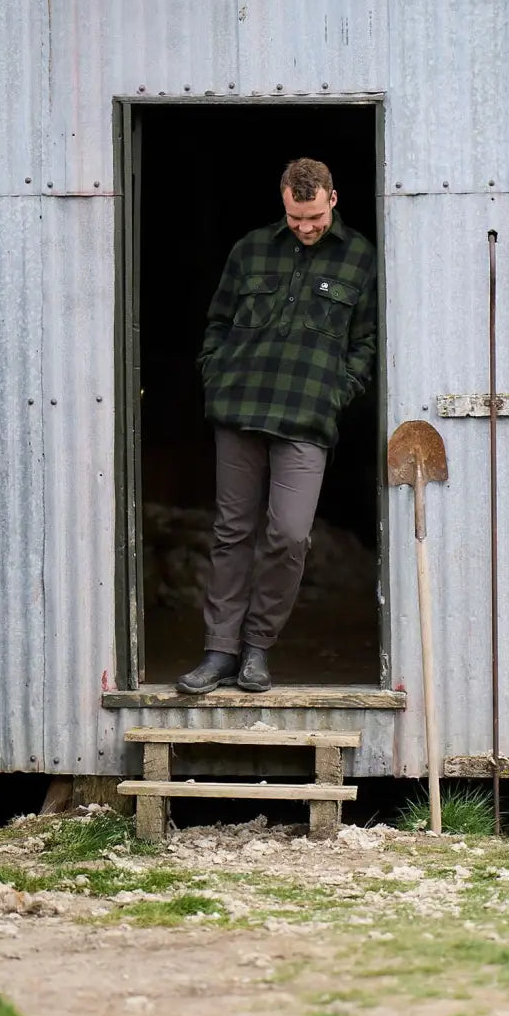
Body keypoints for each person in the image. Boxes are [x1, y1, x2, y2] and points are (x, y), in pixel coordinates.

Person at [176, 158, 377, 695]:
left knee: (288, 534)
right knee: (231, 532)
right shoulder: (249, 249)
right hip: (239, 410)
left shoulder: (360, 257)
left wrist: (338, 394)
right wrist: (215, 377)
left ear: (332, 199)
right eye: (294, 218)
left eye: (313, 217)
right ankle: (219, 652)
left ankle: (257, 648)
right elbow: (216, 323)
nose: (305, 227)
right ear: (283, 203)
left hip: (307, 416)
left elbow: (366, 343)